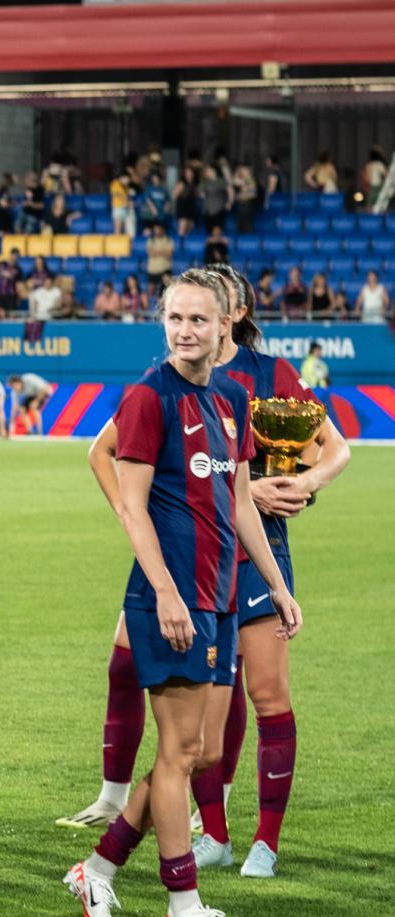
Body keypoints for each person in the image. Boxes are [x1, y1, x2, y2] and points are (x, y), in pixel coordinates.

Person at [63, 269, 299, 917]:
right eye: (175, 318)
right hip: (171, 598)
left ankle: (101, 866)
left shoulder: (230, 398)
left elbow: (241, 501)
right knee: (178, 750)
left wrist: (278, 586)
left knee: (197, 754)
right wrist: (165, 590)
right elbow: (132, 506)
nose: (186, 330)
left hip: (221, 598)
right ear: (162, 322)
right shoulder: (147, 398)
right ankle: (183, 903)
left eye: (199, 319)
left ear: (226, 325)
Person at [188, 266, 350, 880]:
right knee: (206, 701)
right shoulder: (172, 379)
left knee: (267, 693)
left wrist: (300, 484)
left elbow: (334, 448)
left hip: (260, 552)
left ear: (233, 313)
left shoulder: (269, 374)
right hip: (194, 551)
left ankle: (268, 841)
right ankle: (217, 836)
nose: (201, 321)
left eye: (212, 309)